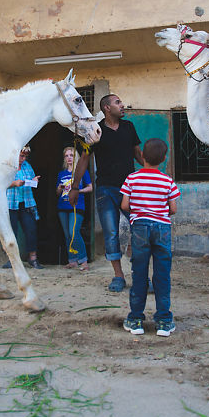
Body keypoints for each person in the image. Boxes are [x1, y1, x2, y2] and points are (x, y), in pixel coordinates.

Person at [68, 94, 143, 292]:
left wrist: (154, 173)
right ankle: (118, 276)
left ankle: (140, 275)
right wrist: (75, 187)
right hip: (105, 189)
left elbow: (138, 154)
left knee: (139, 230)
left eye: (121, 101)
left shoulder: (128, 127)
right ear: (107, 108)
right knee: (111, 233)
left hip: (130, 188)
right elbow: (84, 159)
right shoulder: (96, 130)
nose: (122, 104)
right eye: (118, 102)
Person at [119, 138, 180, 337]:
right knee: (162, 274)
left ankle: (136, 319)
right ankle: (163, 321)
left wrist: (141, 209)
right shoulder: (167, 180)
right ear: (163, 159)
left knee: (139, 273)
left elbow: (125, 206)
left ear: (142, 156)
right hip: (162, 228)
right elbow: (173, 209)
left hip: (139, 228)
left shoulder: (132, 179)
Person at [5, 146, 42, 269]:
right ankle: (12, 259)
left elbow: (31, 180)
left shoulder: (27, 166)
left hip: (26, 202)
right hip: (11, 203)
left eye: (25, 156)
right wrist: (14, 183)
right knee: (12, 231)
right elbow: (1, 183)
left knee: (30, 229)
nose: (23, 158)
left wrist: (34, 180)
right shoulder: (7, 166)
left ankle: (33, 258)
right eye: (21, 156)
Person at [56, 146, 92, 270]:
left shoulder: (81, 171)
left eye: (71, 155)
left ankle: (83, 260)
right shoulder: (61, 174)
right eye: (66, 156)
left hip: (77, 205)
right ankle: (72, 260)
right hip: (62, 206)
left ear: (75, 157)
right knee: (67, 235)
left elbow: (90, 187)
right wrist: (60, 188)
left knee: (74, 232)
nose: (69, 158)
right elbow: (57, 193)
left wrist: (78, 190)